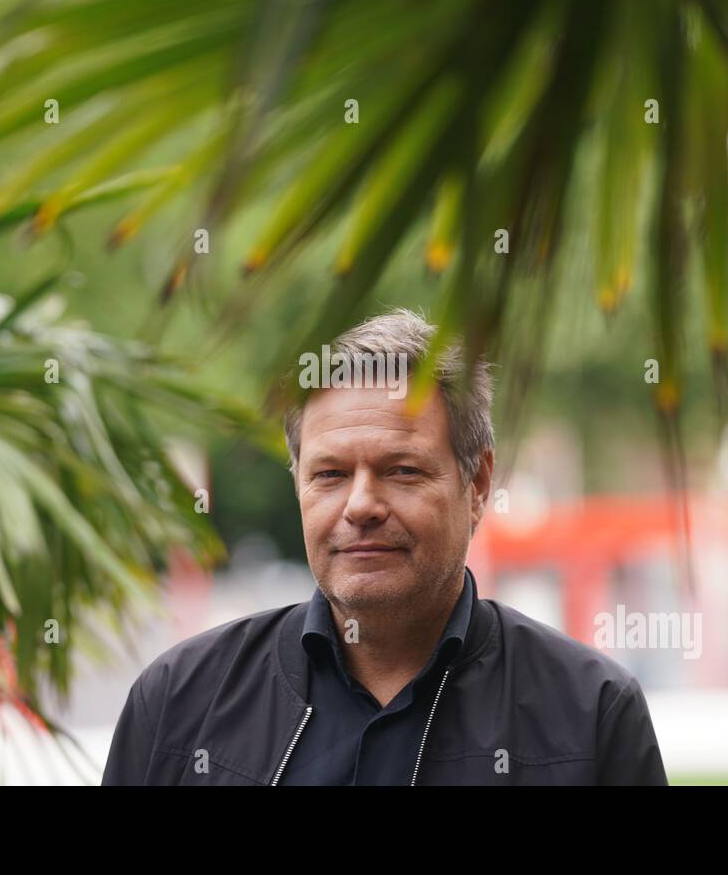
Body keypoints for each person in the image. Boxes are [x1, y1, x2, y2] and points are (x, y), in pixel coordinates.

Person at [101, 309, 667, 785]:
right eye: (330, 474)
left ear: (477, 484)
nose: (361, 505)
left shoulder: (591, 715)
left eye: (401, 470)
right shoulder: (180, 702)